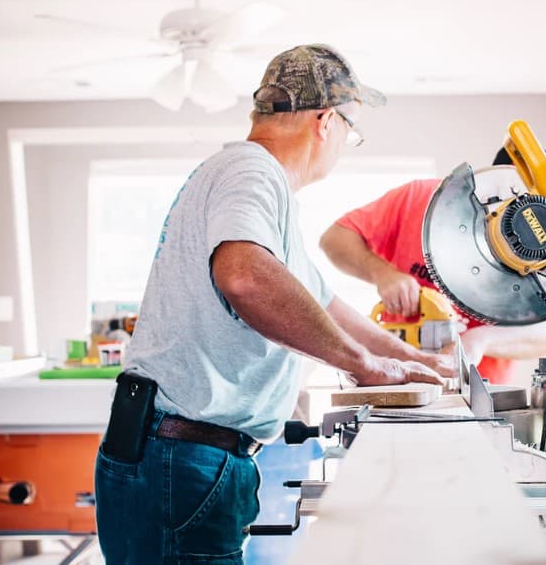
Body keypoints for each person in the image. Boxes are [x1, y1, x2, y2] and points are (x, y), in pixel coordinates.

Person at [94, 44, 455, 565]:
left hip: (179, 454)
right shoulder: (251, 171)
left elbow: (324, 304)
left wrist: (414, 363)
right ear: (326, 122)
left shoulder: (256, 187)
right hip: (183, 457)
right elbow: (244, 278)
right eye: (351, 132)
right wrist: (363, 365)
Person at [319, 148, 546, 385]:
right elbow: (335, 239)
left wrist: (481, 340)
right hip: (396, 376)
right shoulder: (420, 199)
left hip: (480, 391)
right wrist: (382, 273)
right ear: (494, 177)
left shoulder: (545, 252)